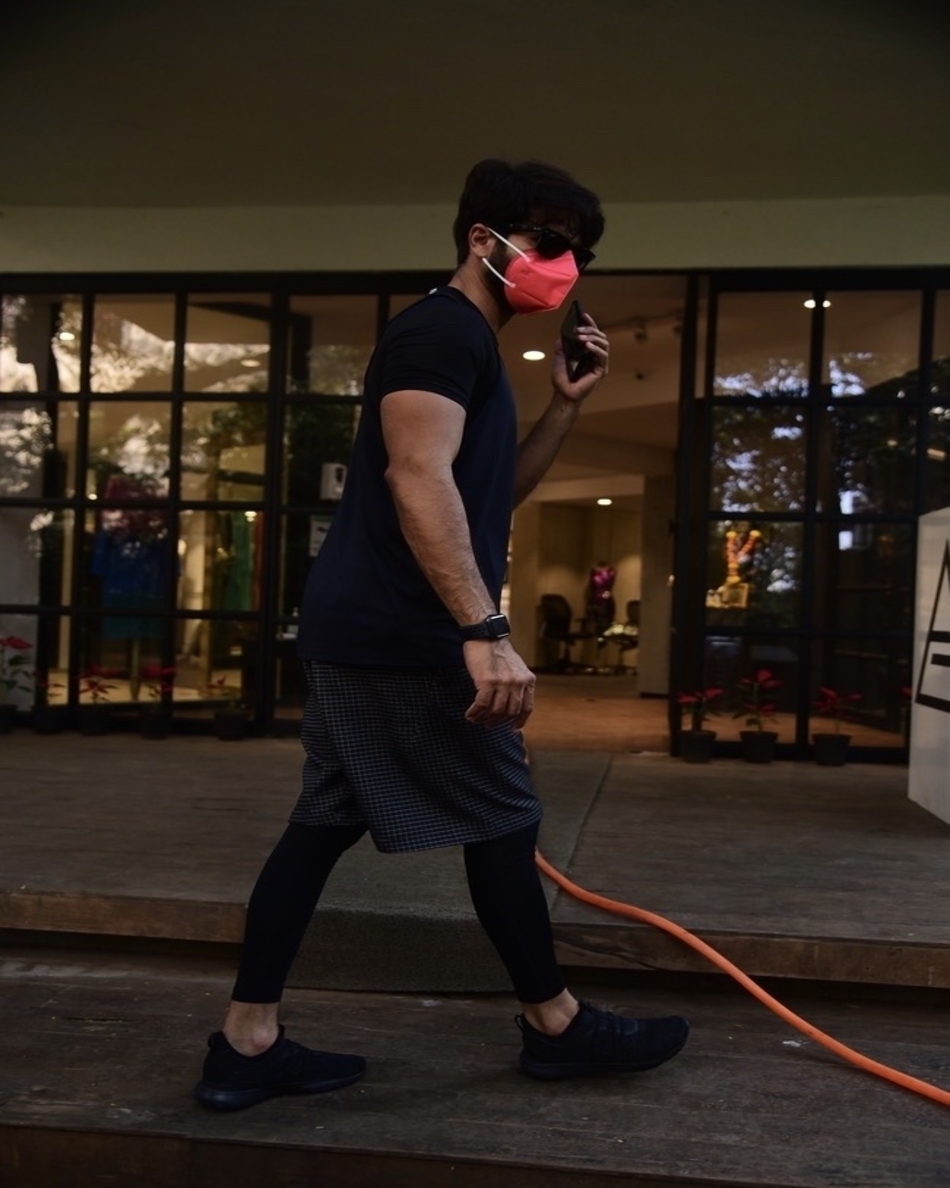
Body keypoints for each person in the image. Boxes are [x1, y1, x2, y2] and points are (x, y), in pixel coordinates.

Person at [195, 159, 689, 1111]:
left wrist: (565, 406)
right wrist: (483, 628)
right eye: (550, 243)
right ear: (482, 239)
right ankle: (557, 1026)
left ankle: (247, 1043)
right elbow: (416, 478)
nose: (566, 265)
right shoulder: (440, 332)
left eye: (581, 254)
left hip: (366, 627)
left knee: (322, 826)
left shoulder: (468, 345)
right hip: (403, 630)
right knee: (503, 815)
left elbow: (488, 495)